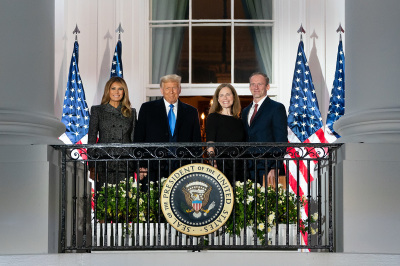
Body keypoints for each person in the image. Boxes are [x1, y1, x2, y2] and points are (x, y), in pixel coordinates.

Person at [134, 74, 201, 184]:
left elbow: (196, 142)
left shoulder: (191, 112)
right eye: (167, 88)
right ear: (161, 90)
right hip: (153, 166)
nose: (171, 91)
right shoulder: (147, 109)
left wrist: (196, 168)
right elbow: (139, 138)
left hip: (183, 168)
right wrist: (141, 165)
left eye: (174, 87)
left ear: (179, 89)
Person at [88, 77, 140, 184]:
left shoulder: (131, 112)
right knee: (104, 197)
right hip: (104, 161)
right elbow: (92, 139)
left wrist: (137, 166)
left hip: (125, 162)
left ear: (124, 92)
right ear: (108, 90)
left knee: (126, 198)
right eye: (113, 88)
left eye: (120, 89)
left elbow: (134, 140)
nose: (116, 92)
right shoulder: (97, 110)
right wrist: (92, 166)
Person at [241, 72, 288, 187]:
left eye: (259, 84)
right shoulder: (245, 111)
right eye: (253, 84)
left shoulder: (276, 108)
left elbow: (281, 139)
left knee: (269, 204)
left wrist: (275, 166)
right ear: (249, 87)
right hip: (249, 169)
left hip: (268, 168)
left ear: (267, 87)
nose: (255, 87)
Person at [205, 83, 245, 184]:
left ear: (234, 97)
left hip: (239, 166)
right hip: (221, 165)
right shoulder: (213, 117)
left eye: (228, 94)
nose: (225, 98)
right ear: (217, 99)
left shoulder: (239, 121)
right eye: (221, 95)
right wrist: (213, 164)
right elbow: (210, 143)